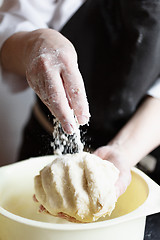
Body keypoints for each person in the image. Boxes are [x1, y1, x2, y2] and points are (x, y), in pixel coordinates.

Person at [0, 0, 160, 199]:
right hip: (48, 146)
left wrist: (123, 151)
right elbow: (9, 28)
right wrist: (35, 42)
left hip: (137, 158)